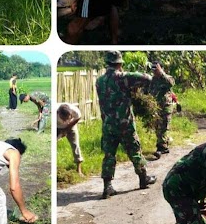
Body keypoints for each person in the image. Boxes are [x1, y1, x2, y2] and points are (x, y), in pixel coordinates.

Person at [95, 51, 162, 199]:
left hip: (108, 124)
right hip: (124, 123)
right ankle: (143, 178)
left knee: (109, 154)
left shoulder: (99, 81)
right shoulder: (122, 77)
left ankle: (107, 187)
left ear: (107, 63)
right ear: (120, 63)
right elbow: (147, 78)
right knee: (134, 150)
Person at [148, 62, 175, 158]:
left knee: (163, 127)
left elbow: (171, 83)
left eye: (156, 68)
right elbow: (149, 91)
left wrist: (161, 73)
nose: (155, 71)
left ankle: (161, 147)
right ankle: (164, 144)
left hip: (166, 106)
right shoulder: (153, 80)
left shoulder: (167, 78)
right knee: (157, 127)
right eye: (153, 69)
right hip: (156, 107)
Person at [56, 103, 84, 175]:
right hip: (57, 127)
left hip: (71, 126)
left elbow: (78, 118)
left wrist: (67, 128)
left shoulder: (75, 111)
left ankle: (79, 169)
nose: (65, 121)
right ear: (58, 113)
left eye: (67, 118)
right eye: (63, 119)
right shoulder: (53, 112)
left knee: (75, 145)